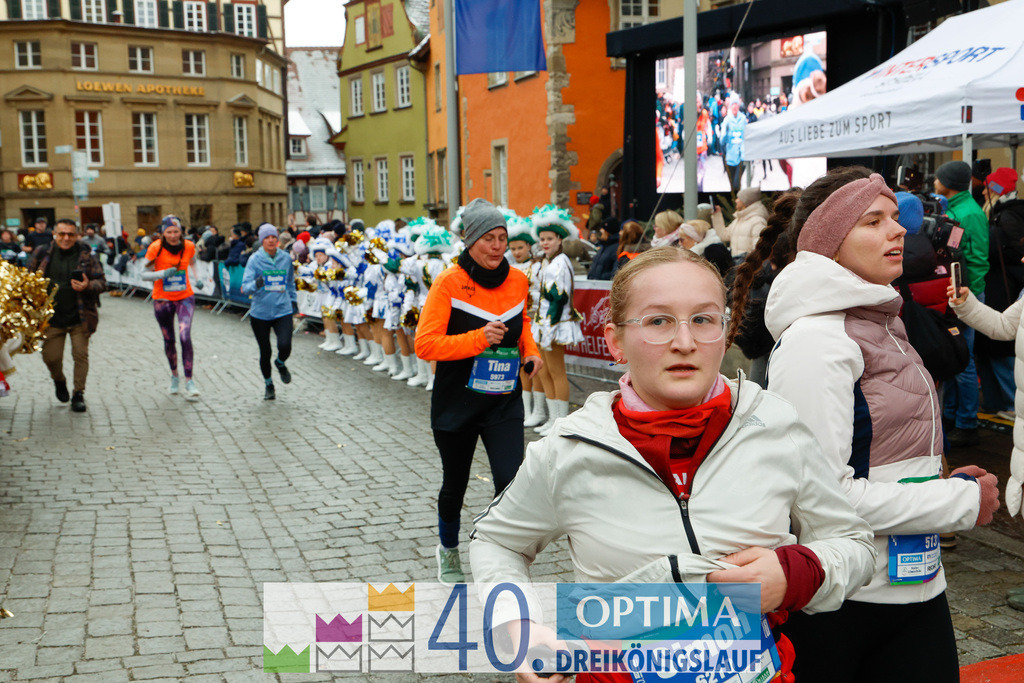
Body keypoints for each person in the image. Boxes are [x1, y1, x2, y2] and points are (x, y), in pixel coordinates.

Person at [470, 247, 876, 683]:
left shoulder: (776, 424)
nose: (685, 343)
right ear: (615, 341)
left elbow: (854, 544)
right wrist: (519, 626)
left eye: (703, 320)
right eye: (658, 321)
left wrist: (797, 574)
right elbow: (497, 542)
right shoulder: (566, 450)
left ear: (725, 332)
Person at [757, 167, 999, 681]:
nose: (898, 230)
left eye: (895, 217)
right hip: (847, 601)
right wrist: (959, 500)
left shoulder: (879, 319)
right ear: (830, 243)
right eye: (873, 220)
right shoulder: (818, 340)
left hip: (915, 584)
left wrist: (947, 484)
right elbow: (820, 498)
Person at [415, 198, 543, 584]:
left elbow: (523, 325)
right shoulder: (449, 282)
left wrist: (531, 354)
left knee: (511, 480)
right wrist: (478, 338)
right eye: (489, 238)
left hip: (502, 400)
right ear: (470, 241)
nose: (498, 246)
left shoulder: (518, 280)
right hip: (457, 402)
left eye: (503, 237)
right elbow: (425, 344)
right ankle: (449, 550)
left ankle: (502, 556)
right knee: (455, 482)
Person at [935, 160, 990, 446]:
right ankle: (954, 415)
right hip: (957, 294)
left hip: (965, 295)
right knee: (955, 356)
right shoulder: (957, 207)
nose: (934, 181)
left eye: (938, 177)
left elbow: (979, 260)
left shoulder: (969, 212)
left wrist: (968, 295)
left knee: (964, 360)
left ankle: (967, 423)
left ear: (950, 182)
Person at [29, 218, 107, 413]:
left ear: (77, 235)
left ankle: (78, 394)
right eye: (61, 234)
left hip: (79, 317)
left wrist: (88, 285)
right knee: (50, 357)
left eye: (70, 234)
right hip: (51, 318)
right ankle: (59, 380)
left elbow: (103, 282)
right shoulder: (41, 253)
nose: (66, 238)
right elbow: (27, 279)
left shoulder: (87, 255)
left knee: (80, 355)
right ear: (54, 234)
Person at [531, 204, 584, 436]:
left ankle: (561, 420)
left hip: (554, 324)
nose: (545, 242)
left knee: (556, 371)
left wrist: (549, 325)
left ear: (559, 240)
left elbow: (559, 298)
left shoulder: (560, 263)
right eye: (542, 239)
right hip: (543, 323)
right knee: (544, 371)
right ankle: (553, 418)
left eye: (549, 239)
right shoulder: (548, 261)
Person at [976, 167, 1024, 419]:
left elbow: (1013, 255)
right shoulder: (1004, 213)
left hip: (1003, 291)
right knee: (990, 348)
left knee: (1000, 348)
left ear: (997, 190)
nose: (984, 190)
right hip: (999, 288)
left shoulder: (1007, 217)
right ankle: (996, 402)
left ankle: (1009, 403)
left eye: (989, 187)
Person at [139, 215, 200, 399]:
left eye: (176, 232)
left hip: (185, 297)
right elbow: (143, 274)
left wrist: (199, 278)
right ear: (163, 234)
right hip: (163, 299)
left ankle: (189, 381)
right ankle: (175, 376)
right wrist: (162, 273)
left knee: (185, 336)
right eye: (169, 232)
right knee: (170, 340)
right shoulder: (155, 248)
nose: (173, 235)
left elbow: (193, 262)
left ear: (181, 232)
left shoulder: (188, 246)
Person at [242, 223, 297, 400]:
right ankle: (269, 384)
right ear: (262, 241)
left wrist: (293, 301)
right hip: (261, 313)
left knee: (285, 345)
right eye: (267, 238)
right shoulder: (254, 260)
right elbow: (246, 287)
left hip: (283, 309)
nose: (271, 240)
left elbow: (290, 282)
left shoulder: (285, 258)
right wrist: (257, 283)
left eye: (274, 237)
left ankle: (280, 363)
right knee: (265, 351)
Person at [716, 186, 768, 258]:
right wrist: (717, 215)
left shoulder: (758, 221)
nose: (736, 200)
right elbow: (724, 236)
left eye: (739, 198)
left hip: (748, 267)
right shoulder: (738, 220)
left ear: (745, 201)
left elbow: (758, 250)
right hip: (737, 265)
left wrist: (748, 265)